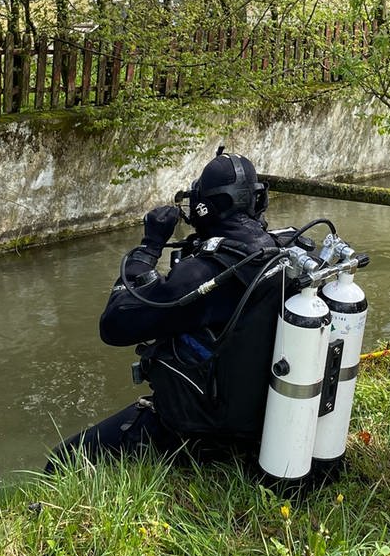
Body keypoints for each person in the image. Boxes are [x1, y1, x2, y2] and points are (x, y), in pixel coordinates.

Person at [46, 149, 288, 470]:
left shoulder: (207, 274)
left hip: (199, 432)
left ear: (204, 207)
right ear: (257, 201)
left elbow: (115, 324)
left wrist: (148, 249)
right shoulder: (280, 250)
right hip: (261, 419)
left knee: (62, 460)